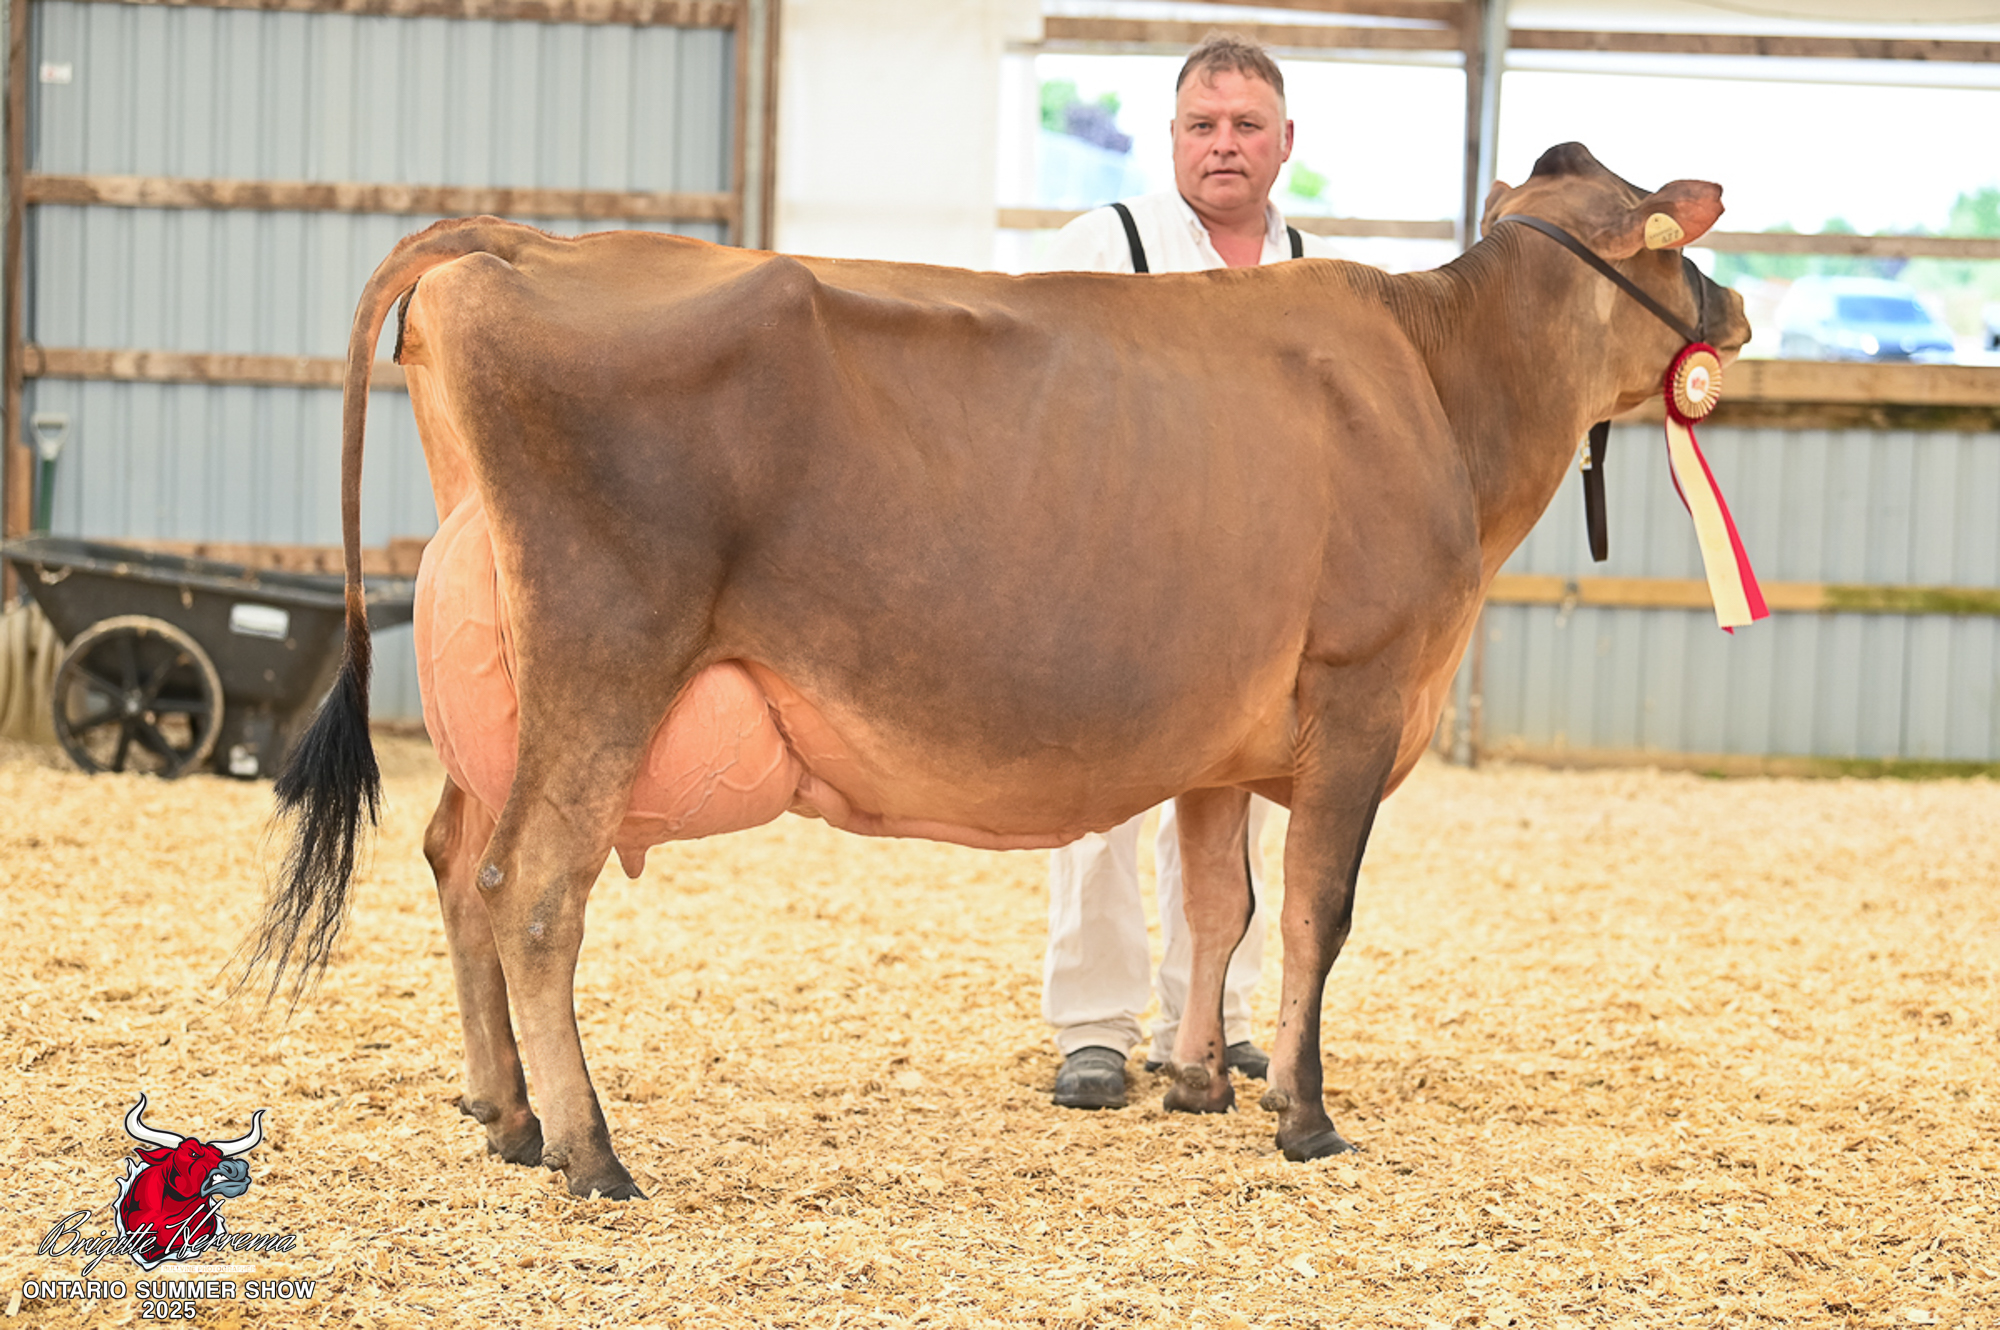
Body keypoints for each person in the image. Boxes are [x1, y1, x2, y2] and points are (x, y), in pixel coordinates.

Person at [1039, 34, 1344, 1110]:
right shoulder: (1104, 243)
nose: (1224, 145)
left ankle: (1213, 1015)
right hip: (1115, 567)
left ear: (1284, 142)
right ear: (1170, 137)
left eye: (1246, 126)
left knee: (1238, 801)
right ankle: (1093, 1027)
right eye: (1203, 126)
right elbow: (1031, 393)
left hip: (1259, 586)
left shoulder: (1321, 274)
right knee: (1101, 803)